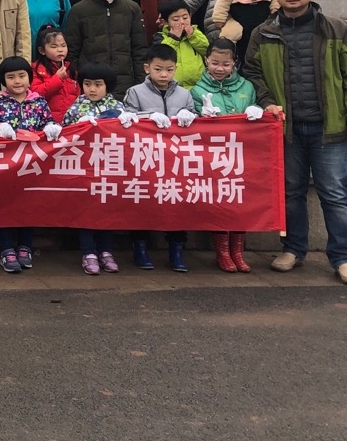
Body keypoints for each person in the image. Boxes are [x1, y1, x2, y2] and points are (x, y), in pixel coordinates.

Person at [243, 0, 347, 281]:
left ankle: (342, 256)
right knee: (290, 192)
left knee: (334, 194)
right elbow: (252, 72)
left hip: (329, 127)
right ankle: (293, 249)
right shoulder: (263, 33)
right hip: (285, 129)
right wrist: (266, 101)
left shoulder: (336, 29)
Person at [123, 44, 199, 271]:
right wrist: (149, 116)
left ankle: (176, 249)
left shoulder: (185, 94)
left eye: (169, 69)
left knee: (177, 203)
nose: (164, 74)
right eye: (158, 69)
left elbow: (195, 119)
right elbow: (127, 118)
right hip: (145, 157)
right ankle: (140, 247)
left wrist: (190, 114)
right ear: (147, 68)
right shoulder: (135, 92)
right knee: (142, 201)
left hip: (176, 160)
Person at [0, 56, 61, 273]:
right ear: (3, 81)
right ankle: (6, 248)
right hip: (5, 165)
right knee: (4, 204)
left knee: (28, 204)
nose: (17, 81)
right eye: (11, 77)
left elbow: (48, 122)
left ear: (29, 78)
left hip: (31, 164)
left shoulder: (39, 102)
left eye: (21, 76)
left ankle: (25, 246)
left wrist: (52, 128)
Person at [192, 37, 262, 274]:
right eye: (214, 63)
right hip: (214, 158)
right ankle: (222, 252)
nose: (219, 68)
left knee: (241, 202)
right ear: (206, 61)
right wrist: (200, 116)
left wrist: (256, 110)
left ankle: (238, 251)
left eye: (225, 64)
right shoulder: (197, 90)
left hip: (243, 156)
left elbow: (257, 110)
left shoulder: (247, 87)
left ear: (235, 63)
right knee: (220, 203)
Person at [61, 63, 126, 275]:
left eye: (98, 84)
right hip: (85, 168)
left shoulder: (119, 108)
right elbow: (64, 135)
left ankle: (106, 251)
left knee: (107, 210)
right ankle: (88, 252)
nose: (92, 89)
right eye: (87, 84)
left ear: (108, 86)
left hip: (110, 167)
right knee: (86, 210)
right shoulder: (75, 108)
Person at [64, 0, 149, 98]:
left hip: (126, 86)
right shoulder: (78, 11)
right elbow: (72, 52)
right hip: (92, 87)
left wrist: (140, 84)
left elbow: (139, 50)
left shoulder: (131, 8)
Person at [30, 25, 79, 123]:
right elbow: (35, 94)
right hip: (48, 122)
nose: (60, 50)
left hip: (72, 121)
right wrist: (57, 78)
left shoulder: (71, 69)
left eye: (63, 45)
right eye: (54, 46)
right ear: (42, 50)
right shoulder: (36, 69)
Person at [158, 0, 209, 89]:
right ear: (165, 22)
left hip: (198, 85)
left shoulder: (196, 33)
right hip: (172, 86)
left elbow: (206, 50)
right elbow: (162, 56)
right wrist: (173, 38)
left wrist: (193, 36)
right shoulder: (161, 37)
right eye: (175, 19)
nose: (182, 22)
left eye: (185, 18)